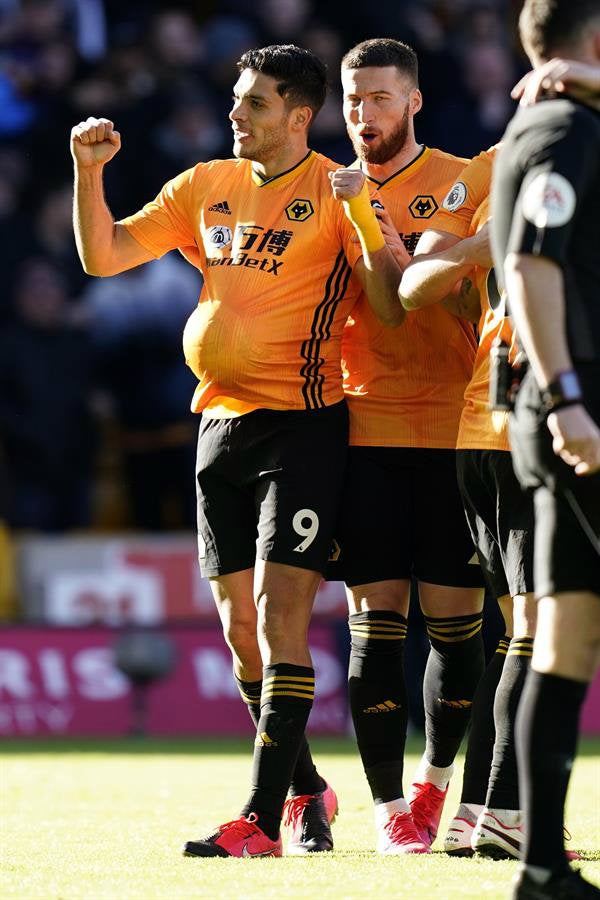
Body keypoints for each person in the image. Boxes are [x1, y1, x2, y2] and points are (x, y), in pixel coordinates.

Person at [71, 44, 402, 859]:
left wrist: (367, 216)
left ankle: (257, 823)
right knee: (237, 633)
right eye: (235, 98)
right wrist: (88, 172)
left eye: (254, 103)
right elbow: (104, 254)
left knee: (279, 614)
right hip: (218, 427)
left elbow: (391, 304)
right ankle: (305, 792)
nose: (235, 114)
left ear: (299, 116)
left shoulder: (334, 190)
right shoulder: (203, 185)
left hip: (305, 423)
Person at [327, 38, 485, 854]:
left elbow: (422, 303)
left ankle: (435, 783)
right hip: (363, 429)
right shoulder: (322, 188)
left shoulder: (464, 180)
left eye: (380, 98)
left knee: (458, 628)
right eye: (353, 101)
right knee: (374, 622)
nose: (364, 115)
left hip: (455, 428)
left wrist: (379, 224)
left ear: (414, 101)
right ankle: (390, 808)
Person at [399, 148, 540, 860]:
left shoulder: (510, 174)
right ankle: (504, 817)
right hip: (520, 434)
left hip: (489, 431)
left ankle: (477, 815)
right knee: (542, 635)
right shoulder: (509, 175)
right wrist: (494, 239)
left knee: (524, 636)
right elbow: (413, 285)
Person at [490, 1, 600, 897]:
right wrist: (567, 397)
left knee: (567, 635)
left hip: (566, 398)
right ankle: (538, 861)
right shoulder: (565, 131)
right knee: (562, 634)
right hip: (580, 398)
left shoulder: (556, 118)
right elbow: (532, 263)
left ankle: (541, 867)